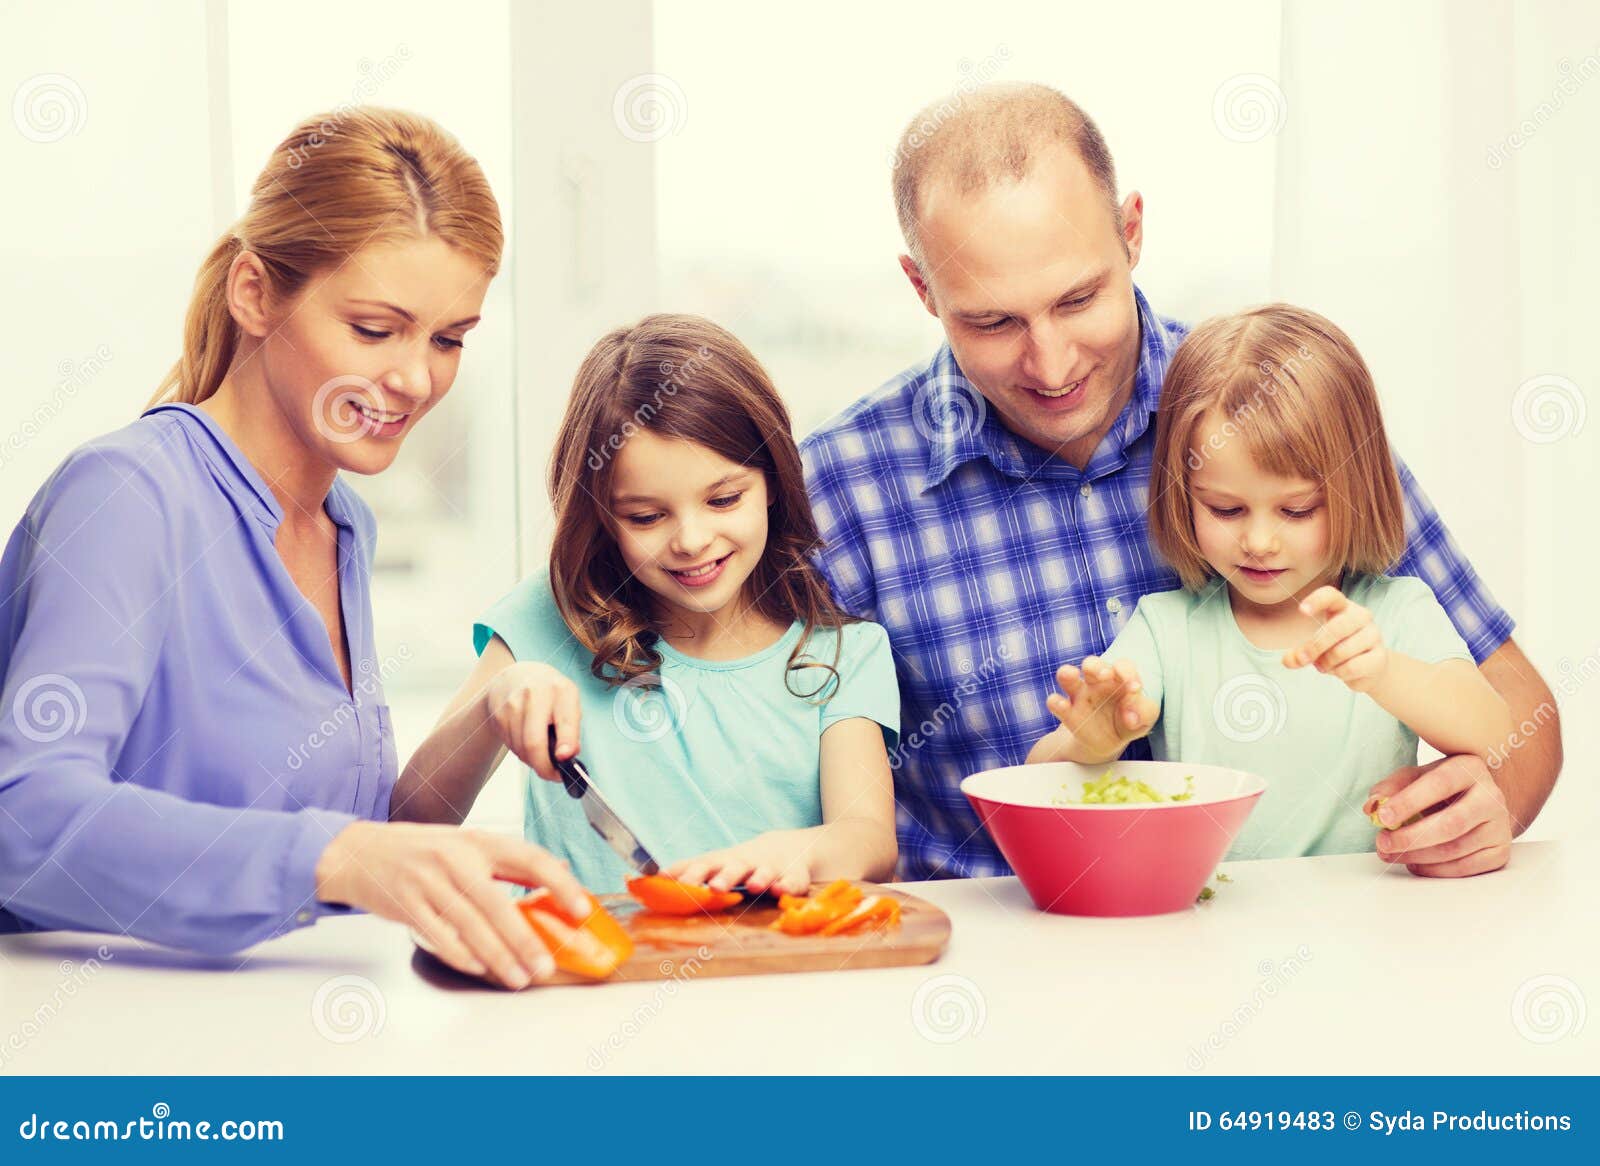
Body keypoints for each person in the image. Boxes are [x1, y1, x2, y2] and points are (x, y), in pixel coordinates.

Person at [800, 82, 1559, 880]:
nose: (1051, 365)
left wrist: (1484, 804)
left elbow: (1520, 712)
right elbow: (775, 794)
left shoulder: (1273, 411)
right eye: (993, 321)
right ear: (923, 289)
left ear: (1131, 233)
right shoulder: (839, 488)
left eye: (1079, 298)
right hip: (987, 963)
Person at [0, 108, 588, 990]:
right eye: (373, 328)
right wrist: (341, 856)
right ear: (255, 294)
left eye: (449, 339)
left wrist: (491, 704)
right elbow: (23, 819)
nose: (416, 379)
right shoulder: (129, 496)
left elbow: (338, 841)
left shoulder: (345, 526)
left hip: (292, 1040)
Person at [393, 314, 900, 896]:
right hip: (578, 973)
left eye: (724, 499)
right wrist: (489, 708)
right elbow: (413, 820)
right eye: (646, 517)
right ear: (602, 519)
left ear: (775, 484)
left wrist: (794, 852)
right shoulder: (552, 615)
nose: (689, 540)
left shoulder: (843, 654)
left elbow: (869, 839)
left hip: (765, 971)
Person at [1028, 304, 1516, 862]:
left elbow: (1496, 732)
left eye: (1298, 510)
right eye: (1227, 509)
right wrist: (1090, 740)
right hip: (1210, 925)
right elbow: (1040, 777)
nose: (1259, 541)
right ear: (1184, 497)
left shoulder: (1399, 612)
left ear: (1356, 490)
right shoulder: (1166, 628)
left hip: (1372, 924)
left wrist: (1384, 673)